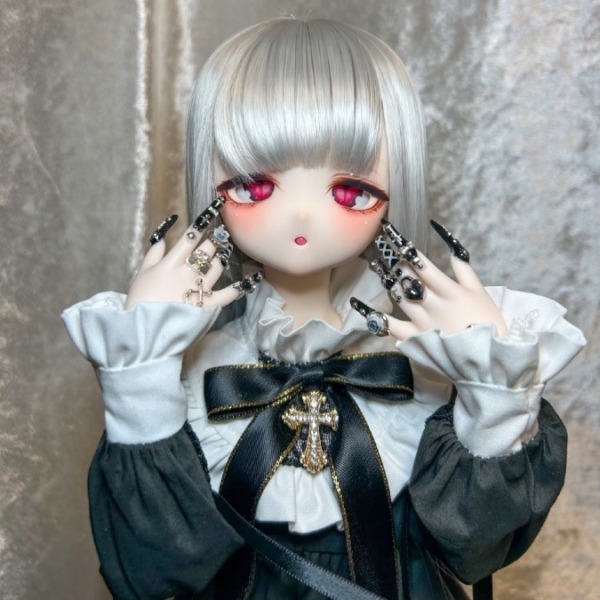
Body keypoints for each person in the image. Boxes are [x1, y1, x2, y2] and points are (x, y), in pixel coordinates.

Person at [62, 18, 585, 600]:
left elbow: (477, 549)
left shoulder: (430, 368)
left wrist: (489, 378)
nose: (302, 216)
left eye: (349, 191)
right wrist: (142, 363)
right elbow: (155, 573)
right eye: (255, 187)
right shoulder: (184, 372)